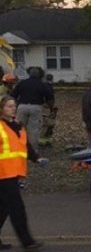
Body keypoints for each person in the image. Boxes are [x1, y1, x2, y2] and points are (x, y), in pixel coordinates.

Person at [0, 95, 48, 251]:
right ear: (1, 109)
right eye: (8, 106)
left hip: (13, 172)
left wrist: (37, 158)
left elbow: (25, 146)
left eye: (14, 106)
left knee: (4, 208)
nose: (12, 108)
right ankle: (27, 241)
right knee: (16, 208)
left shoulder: (19, 125)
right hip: (3, 174)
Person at [10, 67, 54, 151]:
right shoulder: (42, 84)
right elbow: (49, 98)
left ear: (29, 74)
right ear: (39, 75)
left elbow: (13, 96)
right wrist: (51, 109)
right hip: (36, 107)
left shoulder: (22, 83)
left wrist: (14, 107)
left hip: (22, 106)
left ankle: (19, 147)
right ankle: (32, 150)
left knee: (20, 128)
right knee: (33, 130)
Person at [39, 74, 57, 147]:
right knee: (48, 124)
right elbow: (50, 98)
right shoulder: (48, 87)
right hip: (47, 108)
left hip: (44, 107)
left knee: (47, 124)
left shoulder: (43, 85)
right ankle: (43, 141)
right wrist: (52, 109)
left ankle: (45, 140)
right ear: (52, 79)